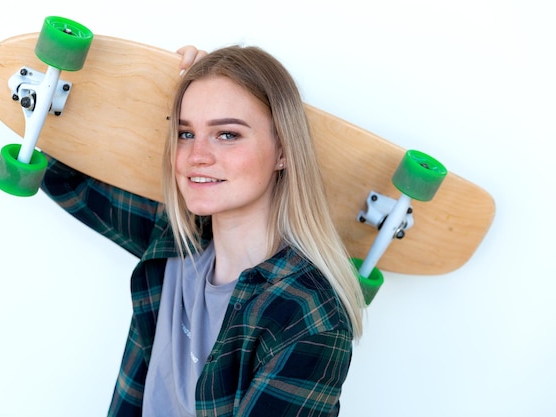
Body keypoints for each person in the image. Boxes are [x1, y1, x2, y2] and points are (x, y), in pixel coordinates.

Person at [41, 44, 365, 417]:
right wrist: (159, 87)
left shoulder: (308, 316)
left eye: (227, 134)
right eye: (184, 133)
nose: (197, 156)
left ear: (283, 151)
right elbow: (61, 176)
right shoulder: (176, 241)